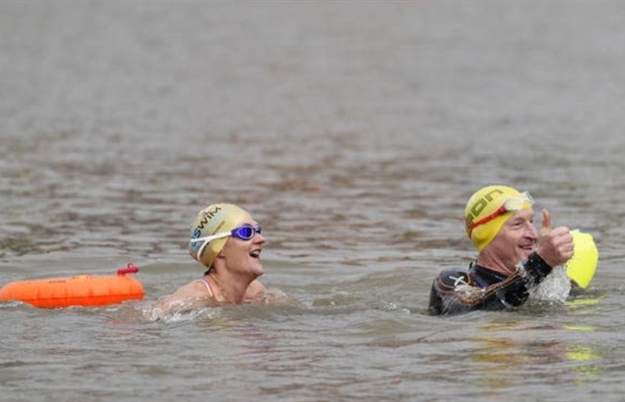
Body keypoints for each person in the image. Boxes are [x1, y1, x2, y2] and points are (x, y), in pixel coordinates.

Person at [428, 185, 574, 315]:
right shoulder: (451, 282)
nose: (534, 234)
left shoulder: (543, 283)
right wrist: (541, 262)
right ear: (486, 235)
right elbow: (474, 311)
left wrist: (552, 266)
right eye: (518, 224)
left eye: (531, 222)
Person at [155, 203, 269, 314]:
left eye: (258, 230)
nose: (261, 239)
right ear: (218, 249)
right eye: (246, 232)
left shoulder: (256, 293)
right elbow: (150, 317)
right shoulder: (194, 298)